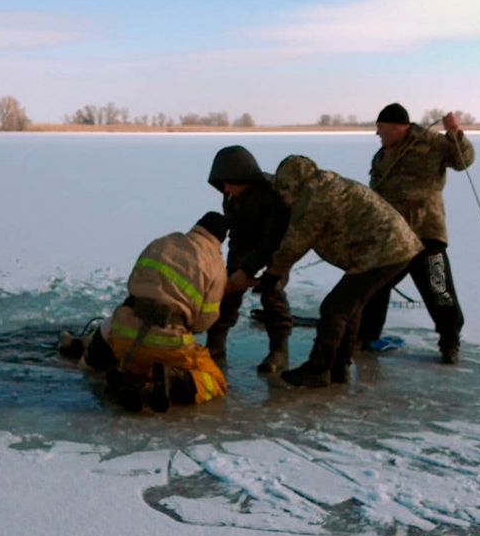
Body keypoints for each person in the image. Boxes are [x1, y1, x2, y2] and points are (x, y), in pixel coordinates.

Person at [255, 155, 423, 388]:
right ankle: (339, 368)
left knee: (334, 309)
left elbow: (296, 243)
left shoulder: (314, 198)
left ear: (294, 184)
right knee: (349, 309)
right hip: (392, 248)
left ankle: (318, 369)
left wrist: (272, 275)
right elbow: (277, 185)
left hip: (384, 251)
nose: (284, 197)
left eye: (285, 190)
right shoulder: (320, 184)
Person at [57, 212, 229, 412]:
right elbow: (204, 322)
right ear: (220, 240)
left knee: (122, 344)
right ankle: (171, 382)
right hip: (168, 345)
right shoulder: (216, 265)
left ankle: (133, 381)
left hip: (125, 334)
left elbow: (134, 285)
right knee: (215, 381)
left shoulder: (162, 243)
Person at [358, 103, 476, 364]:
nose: (377, 134)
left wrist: (455, 133)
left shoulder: (431, 144)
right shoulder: (381, 156)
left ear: (397, 127)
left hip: (427, 236)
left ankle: (449, 343)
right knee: (374, 287)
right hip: (393, 239)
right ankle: (366, 337)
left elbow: (463, 160)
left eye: (380, 129)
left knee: (439, 289)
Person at [205, 145, 293, 373]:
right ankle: (215, 343)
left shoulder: (275, 195)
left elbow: (275, 239)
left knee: (272, 291)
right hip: (247, 244)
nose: (225, 189)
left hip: (280, 246)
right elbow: (236, 232)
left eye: (228, 182)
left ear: (243, 176)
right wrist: (236, 268)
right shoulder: (231, 196)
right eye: (221, 184)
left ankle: (279, 351)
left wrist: (251, 269)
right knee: (228, 288)